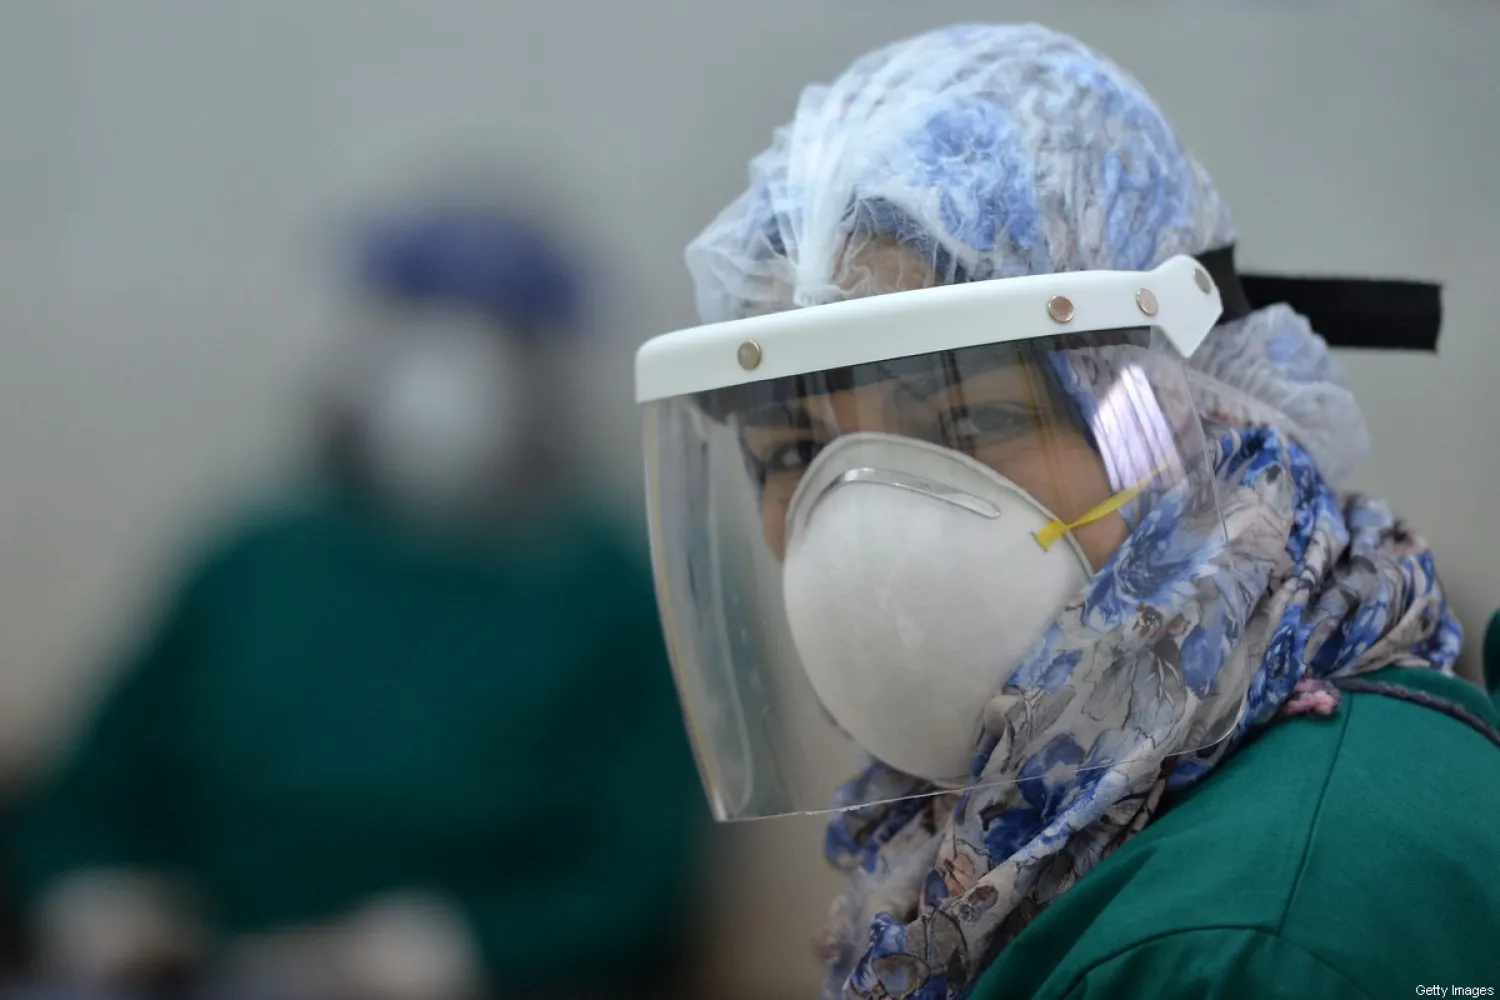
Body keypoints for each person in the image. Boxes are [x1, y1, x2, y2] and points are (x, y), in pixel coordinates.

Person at [635, 23, 1500, 1000]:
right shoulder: (1014, 855)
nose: (867, 531)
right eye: (795, 451)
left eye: (979, 418)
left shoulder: (1257, 933)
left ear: (1181, 414)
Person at [10, 203, 706, 1000]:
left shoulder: (606, 592)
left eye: (498, 338)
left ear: (550, 371)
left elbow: (637, 881)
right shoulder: (253, 562)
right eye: (421, 324)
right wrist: (96, 897)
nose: (451, 372)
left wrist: (453, 950)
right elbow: (85, 796)